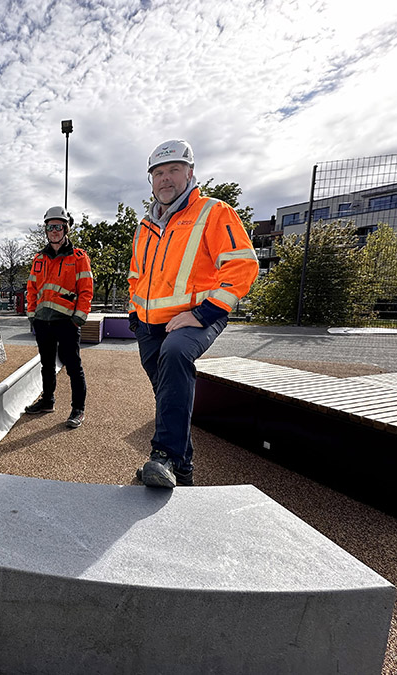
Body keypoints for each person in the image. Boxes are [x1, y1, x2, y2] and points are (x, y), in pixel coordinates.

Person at [129, 140, 258, 488]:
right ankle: (182, 467)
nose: (165, 179)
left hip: (195, 318)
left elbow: (243, 267)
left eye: (173, 170)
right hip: (149, 324)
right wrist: (134, 315)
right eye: (158, 172)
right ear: (151, 180)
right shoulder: (145, 226)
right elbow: (136, 276)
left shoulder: (214, 212)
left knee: (175, 355)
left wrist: (202, 314)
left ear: (190, 173)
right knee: (166, 391)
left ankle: (165, 455)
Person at [24, 206, 93, 428]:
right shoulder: (39, 258)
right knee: (46, 365)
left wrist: (78, 318)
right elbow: (32, 289)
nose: (54, 231)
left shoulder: (79, 257)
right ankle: (47, 401)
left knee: (73, 366)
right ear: (46, 229)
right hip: (43, 322)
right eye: (50, 226)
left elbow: (86, 290)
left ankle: (77, 409)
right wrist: (32, 315)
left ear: (66, 229)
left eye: (59, 226)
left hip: (67, 323)